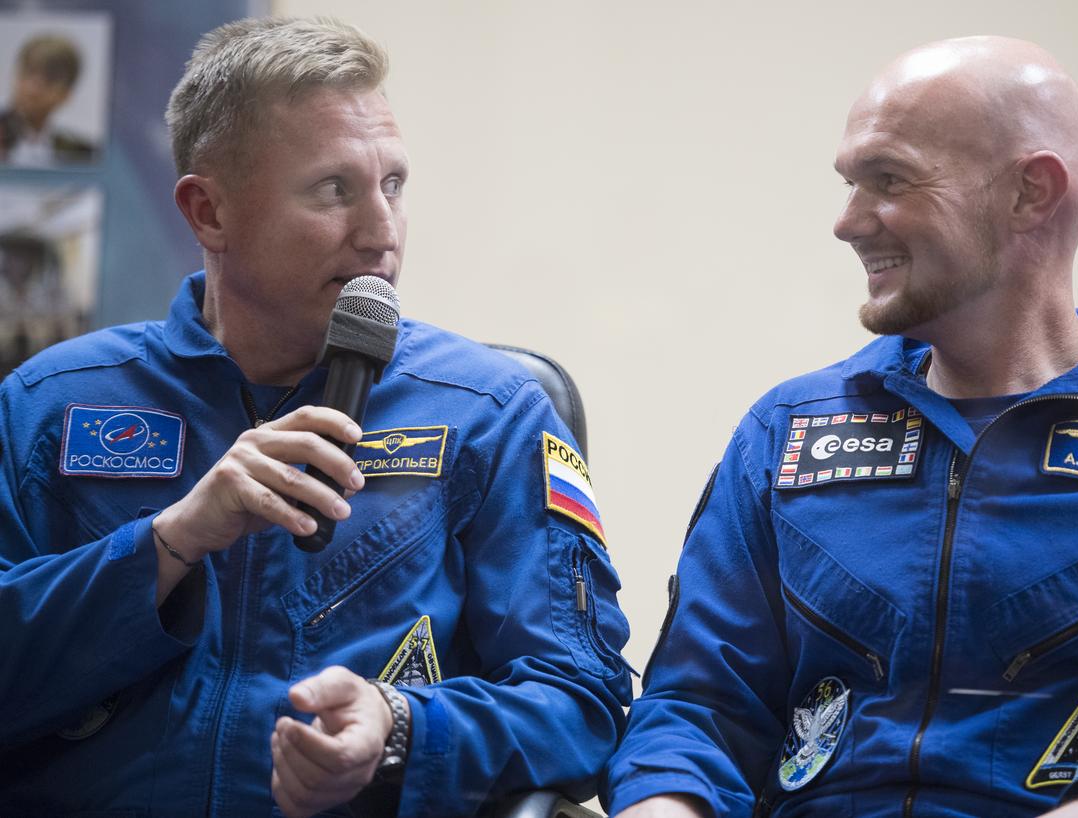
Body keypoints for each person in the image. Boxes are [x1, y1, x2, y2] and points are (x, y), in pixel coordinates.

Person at [605, 36, 1078, 818]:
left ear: (1032, 193)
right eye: (850, 184)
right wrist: (664, 805)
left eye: (887, 180)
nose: (848, 223)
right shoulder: (787, 431)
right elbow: (695, 709)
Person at [0, 17, 631, 817]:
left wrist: (401, 727)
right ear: (209, 214)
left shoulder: (489, 411)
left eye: (393, 185)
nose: (382, 232)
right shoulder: (51, 402)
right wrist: (167, 546)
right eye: (335, 189)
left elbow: (585, 700)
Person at [0, 33, 96, 165]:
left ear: (66, 94)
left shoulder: (82, 153)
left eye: (49, 78)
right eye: (27, 72)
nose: (32, 89)